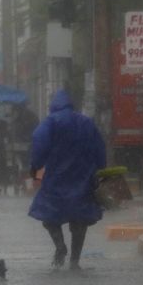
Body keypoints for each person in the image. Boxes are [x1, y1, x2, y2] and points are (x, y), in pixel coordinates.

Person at [29, 90, 106, 272]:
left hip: (56, 177)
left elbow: (39, 144)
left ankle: (60, 245)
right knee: (80, 220)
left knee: (49, 215)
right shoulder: (86, 122)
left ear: (53, 106)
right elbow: (99, 147)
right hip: (82, 177)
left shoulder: (50, 122)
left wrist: (35, 166)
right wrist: (100, 168)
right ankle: (74, 261)